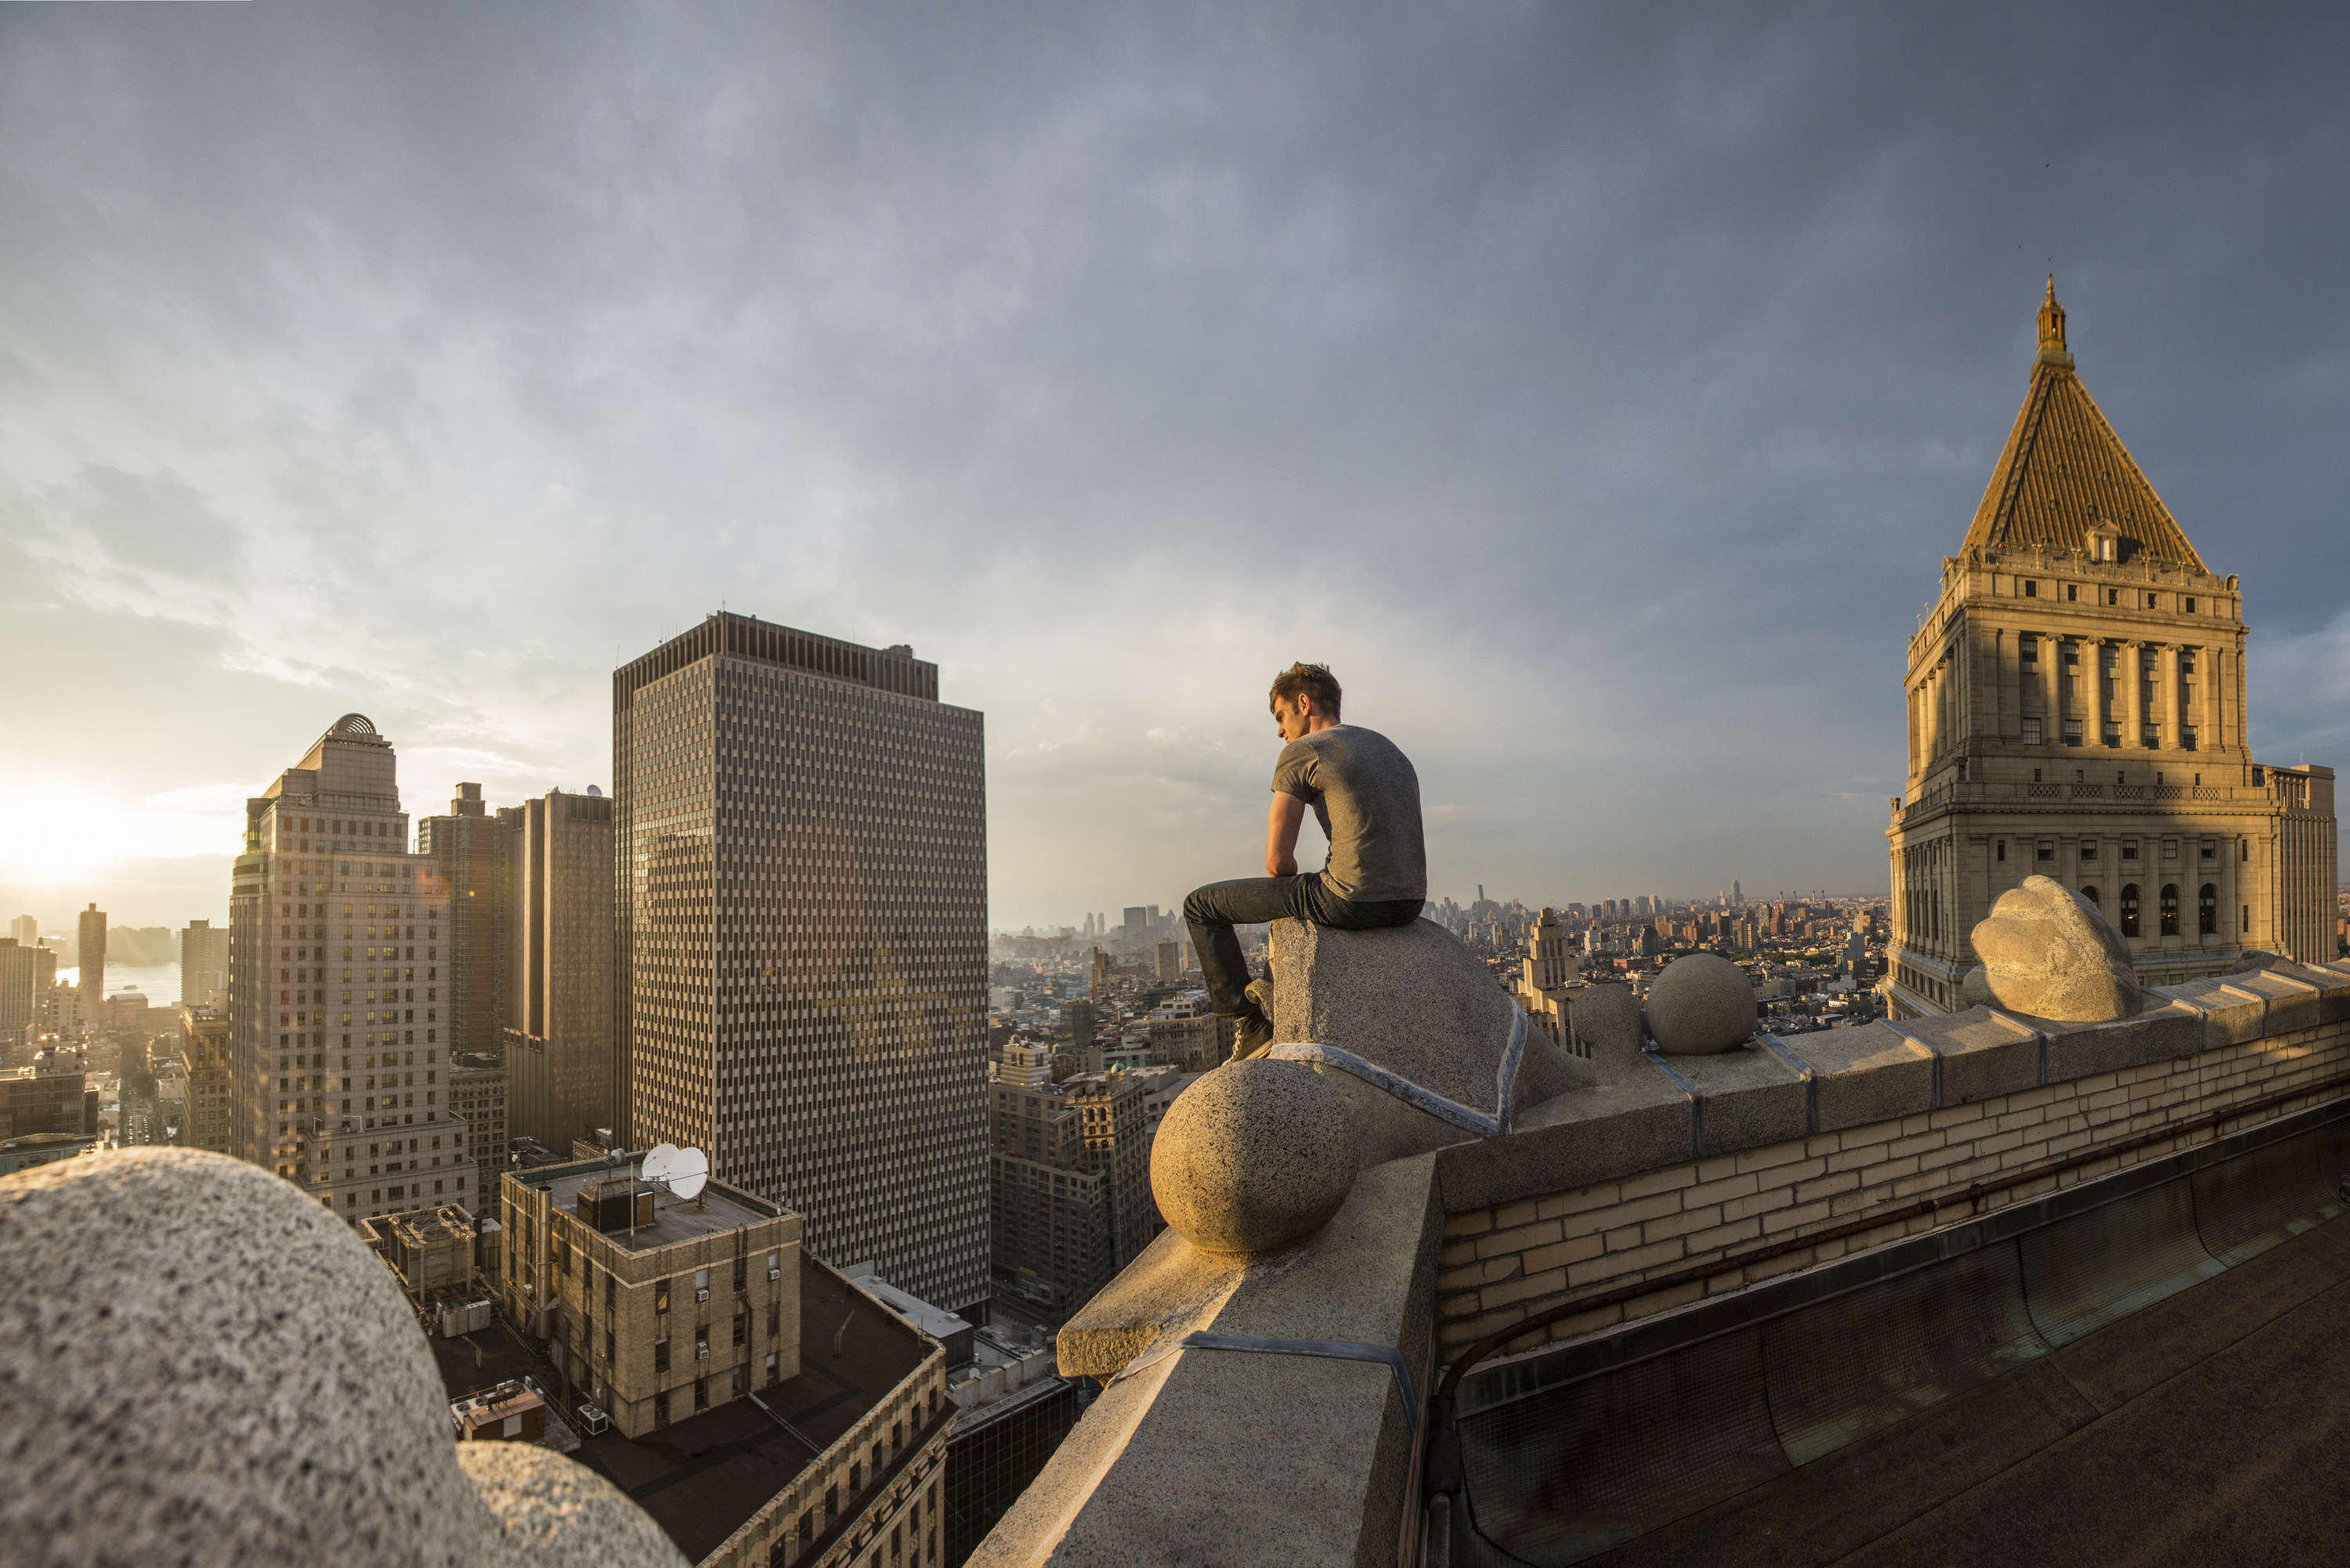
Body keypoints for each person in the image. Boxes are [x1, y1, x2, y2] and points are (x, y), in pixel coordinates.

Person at [1182, 663, 1427, 1058]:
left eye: (1281, 717)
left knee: (1199, 906)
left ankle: (1251, 1023)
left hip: (1351, 900)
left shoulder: (1304, 751)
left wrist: (1290, 909)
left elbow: (1278, 864)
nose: (1280, 730)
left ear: (1303, 703)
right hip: (1411, 902)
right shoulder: (1389, 748)